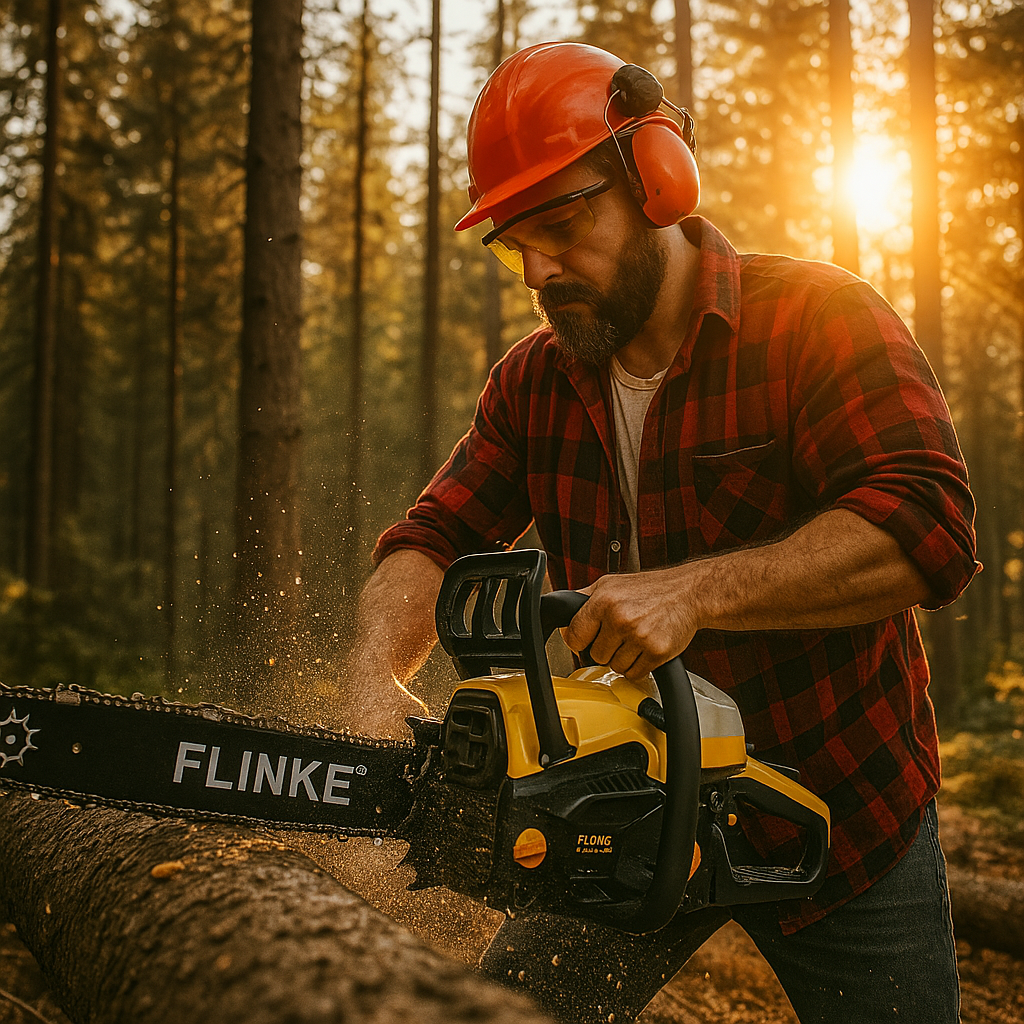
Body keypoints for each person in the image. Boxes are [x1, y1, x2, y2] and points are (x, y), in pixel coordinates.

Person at [340, 41, 978, 1024]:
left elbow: (928, 527)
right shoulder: (532, 380)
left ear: (657, 179)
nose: (541, 268)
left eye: (561, 222)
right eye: (516, 240)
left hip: (840, 807)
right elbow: (434, 533)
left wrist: (692, 592)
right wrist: (372, 672)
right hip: (623, 810)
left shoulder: (816, 318)